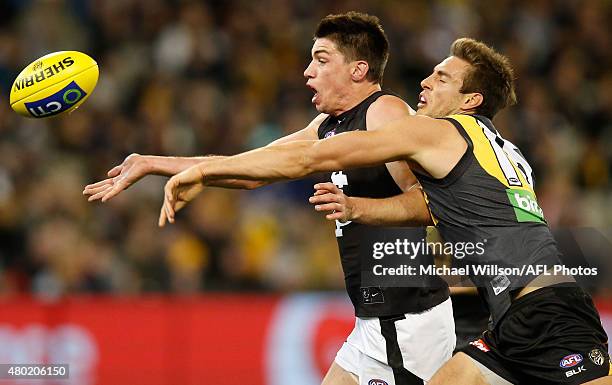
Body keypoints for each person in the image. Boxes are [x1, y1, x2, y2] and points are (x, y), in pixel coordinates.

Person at [159, 38, 611, 384]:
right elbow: (476, 226)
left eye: (442, 78)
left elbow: (314, 156)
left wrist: (200, 174)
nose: (425, 83)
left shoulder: (440, 134)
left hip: (549, 318)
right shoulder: (508, 154)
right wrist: (361, 208)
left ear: (470, 101)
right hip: (514, 319)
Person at [85, 12, 455, 385]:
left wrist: (359, 208)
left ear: (358, 70)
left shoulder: (384, 112)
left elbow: (429, 204)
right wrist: (152, 162)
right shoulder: (328, 127)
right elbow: (251, 168)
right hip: (374, 320)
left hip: (408, 322)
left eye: (322, 60)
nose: (308, 71)